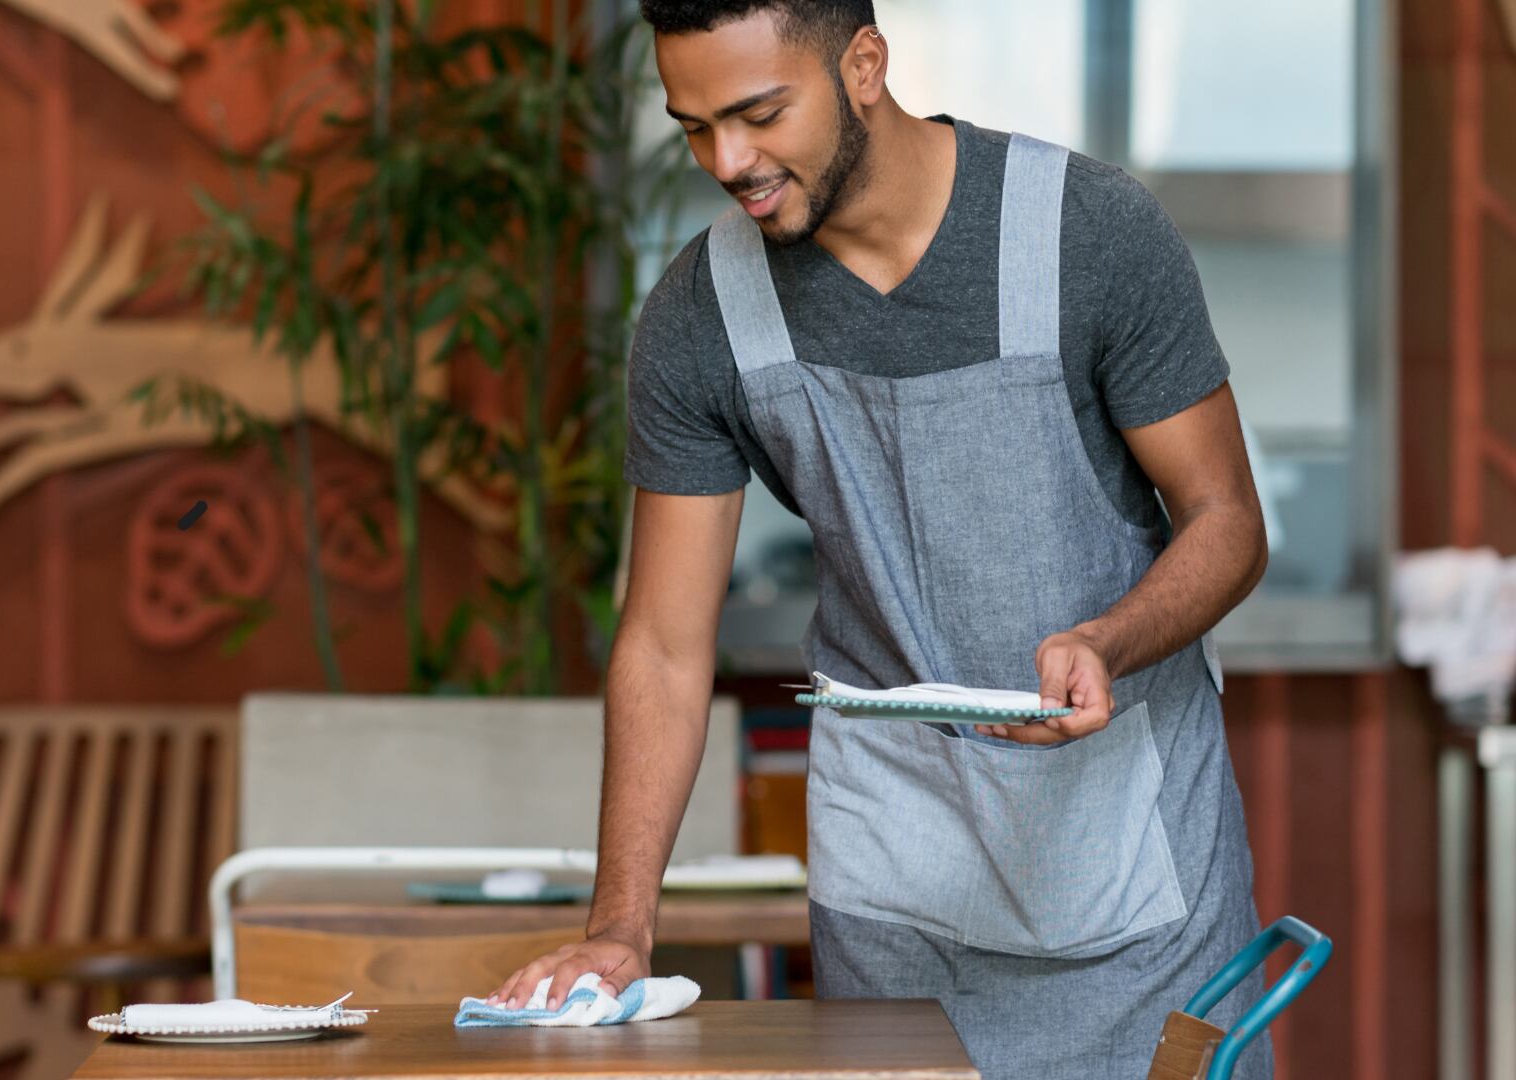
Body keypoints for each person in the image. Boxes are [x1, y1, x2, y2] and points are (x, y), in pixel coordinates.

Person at [484, 2, 1274, 1077]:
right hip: (896, 890)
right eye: (694, 126)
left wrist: (1113, 639)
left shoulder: (1087, 235)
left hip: (1133, 872)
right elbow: (665, 646)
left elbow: (1227, 521)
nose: (730, 160)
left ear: (863, 64)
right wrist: (623, 926)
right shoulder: (699, 314)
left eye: (760, 113)